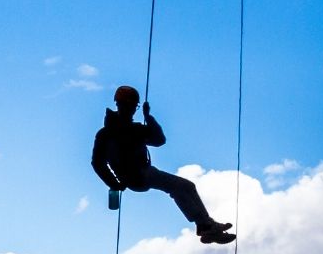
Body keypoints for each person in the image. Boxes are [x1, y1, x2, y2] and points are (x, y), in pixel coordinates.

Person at [91, 85, 236, 244]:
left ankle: (205, 225)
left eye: (134, 107)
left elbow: (99, 162)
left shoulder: (112, 132)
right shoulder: (125, 131)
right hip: (140, 175)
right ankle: (205, 226)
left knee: (184, 187)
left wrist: (115, 183)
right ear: (121, 105)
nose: (132, 110)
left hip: (138, 175)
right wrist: (149, 118)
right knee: (184, 187)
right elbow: (159, 140)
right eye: (131, 106)